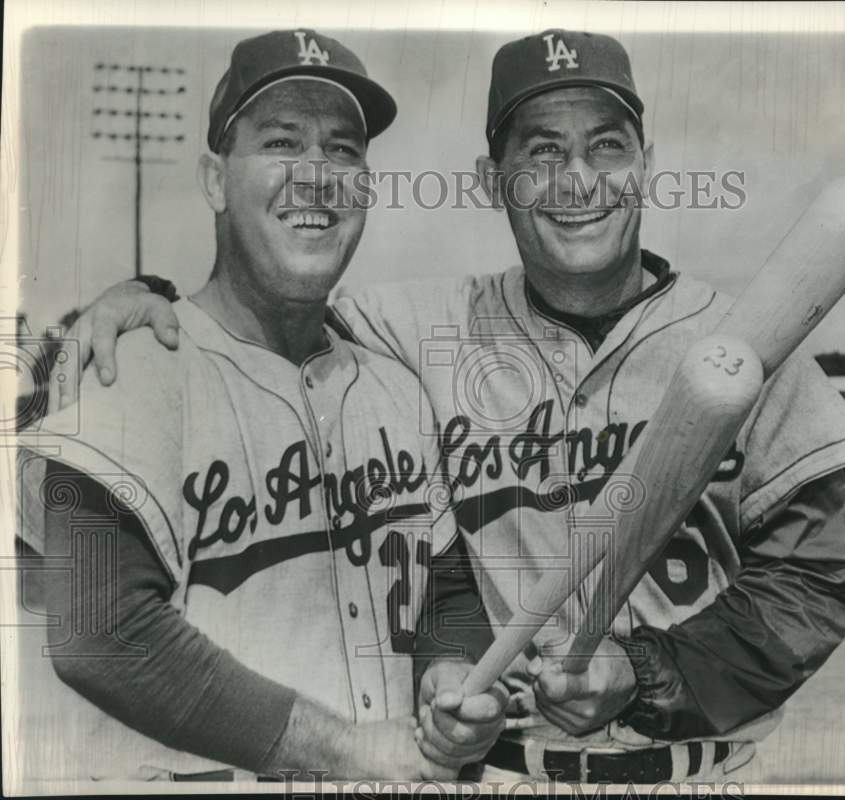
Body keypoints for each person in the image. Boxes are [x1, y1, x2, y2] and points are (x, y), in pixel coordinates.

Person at [49, 29, 845, 784]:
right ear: (491, 182)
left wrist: (647, 673)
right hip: (496, 771)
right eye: (542, 151)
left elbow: (819, 582)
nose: (578, 180)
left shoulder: (748, 339)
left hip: (698, 772)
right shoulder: (412, 331)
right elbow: (258, 306)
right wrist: (137, 298)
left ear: (646, 165)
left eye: (607, 147)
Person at [16, 29, 507, 782]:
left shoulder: (394, 388)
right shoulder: (129, 364)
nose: (316, 176)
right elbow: (99, 632)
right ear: (215, 180)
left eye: (343, 151)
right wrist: (348, 749)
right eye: (282, 142)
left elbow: (445, 592)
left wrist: (450, 672)